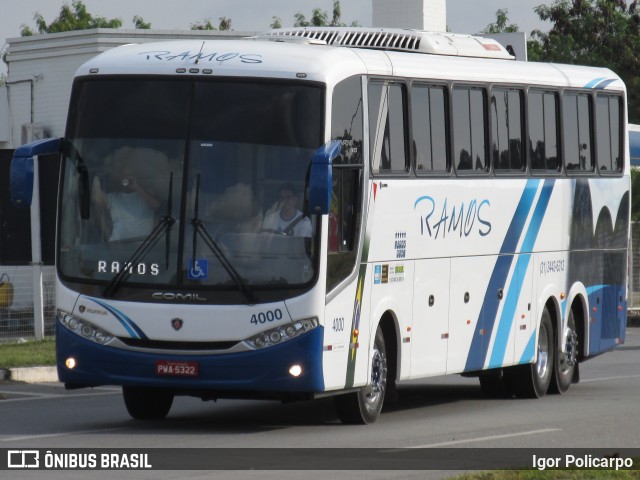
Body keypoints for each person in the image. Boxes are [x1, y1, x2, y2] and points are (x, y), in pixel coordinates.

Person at [92, 149, 161, 241]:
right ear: (119, 178)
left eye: (130, 175)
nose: (127, 177)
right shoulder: (113, 197)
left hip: (143, 248)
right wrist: (96, 178)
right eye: (124, 175)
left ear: (136, 177)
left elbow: (155, 205)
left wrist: (136, 187)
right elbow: (98, 202)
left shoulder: (147, 194)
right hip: (118, 246)